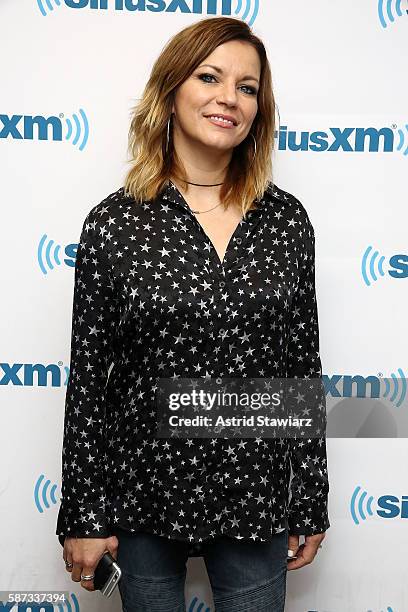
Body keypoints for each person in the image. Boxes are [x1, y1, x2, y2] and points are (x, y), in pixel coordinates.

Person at [56, 16, 330, 612]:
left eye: (248, 87)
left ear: (260, 108)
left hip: (256, 491)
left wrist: (309, 497)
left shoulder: (286, 222)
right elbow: (91, 382)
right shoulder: (116, 225)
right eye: (210, 76)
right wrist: (82, 511)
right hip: (143, 491)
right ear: (172, 89)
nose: (229, 97)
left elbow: (300, 368)